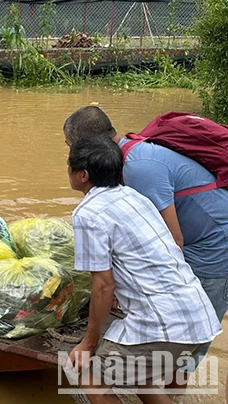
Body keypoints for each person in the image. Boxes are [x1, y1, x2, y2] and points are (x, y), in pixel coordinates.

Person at [63, 106, 228, 368]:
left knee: (187, 340)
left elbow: (173, 240)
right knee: (179, 337)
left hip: (213, 245)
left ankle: (171, 387)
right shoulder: (130, 157)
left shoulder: (138, 168)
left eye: (70, 147)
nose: (69, 154)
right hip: (201, 236)